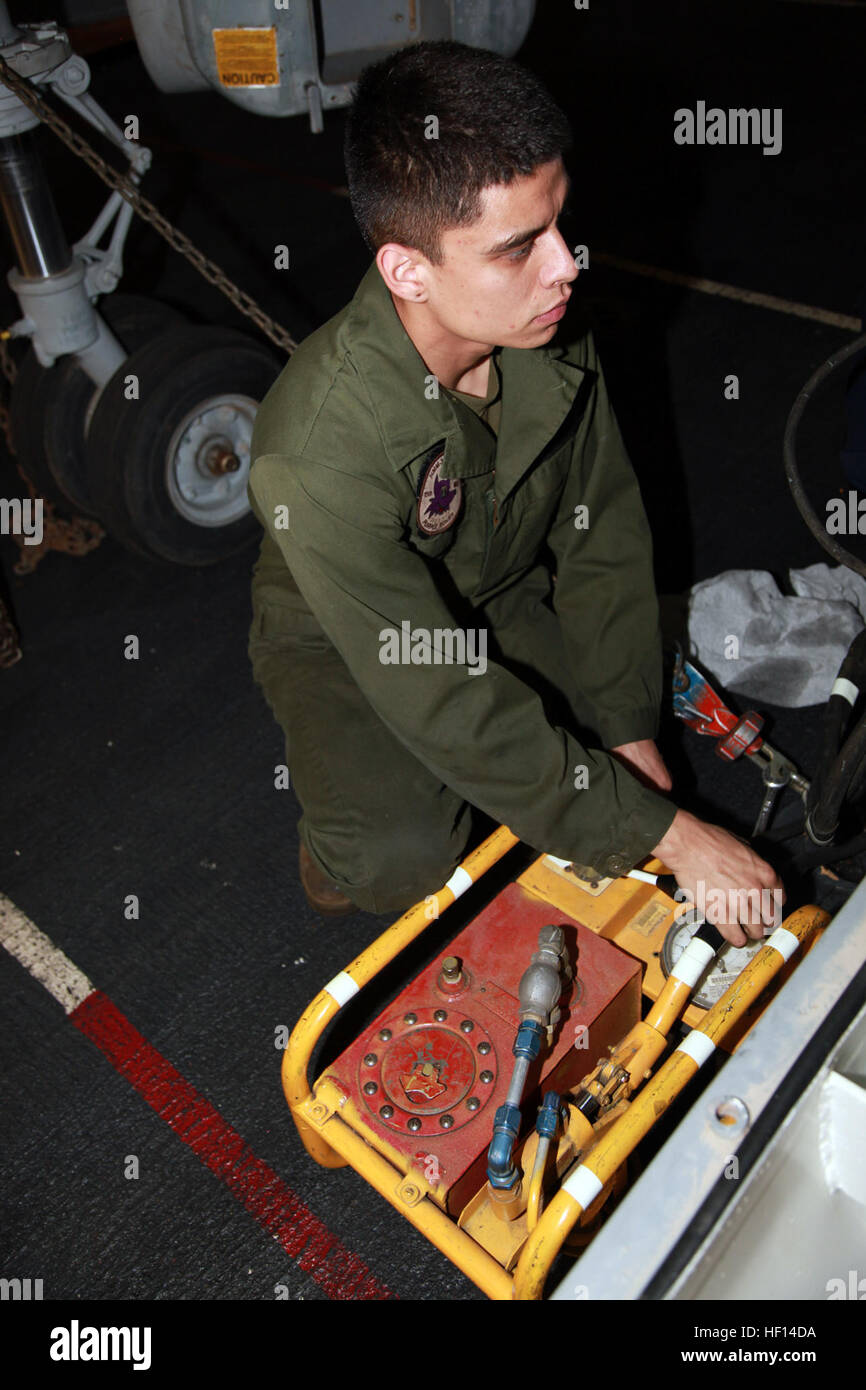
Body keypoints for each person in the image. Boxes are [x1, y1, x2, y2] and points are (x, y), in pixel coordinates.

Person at [247, 39, 783, 945]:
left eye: (560, 223)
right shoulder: (314, 453)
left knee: (613, 756)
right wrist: (672, 835)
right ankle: (340, 840)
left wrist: (625, 732)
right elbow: (438, 687)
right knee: (403, 855)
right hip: (353, 641)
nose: (567, 266)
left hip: (498, 589)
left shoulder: (544, 328)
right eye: (519, 248)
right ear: (407, 270)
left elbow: (602, 538)